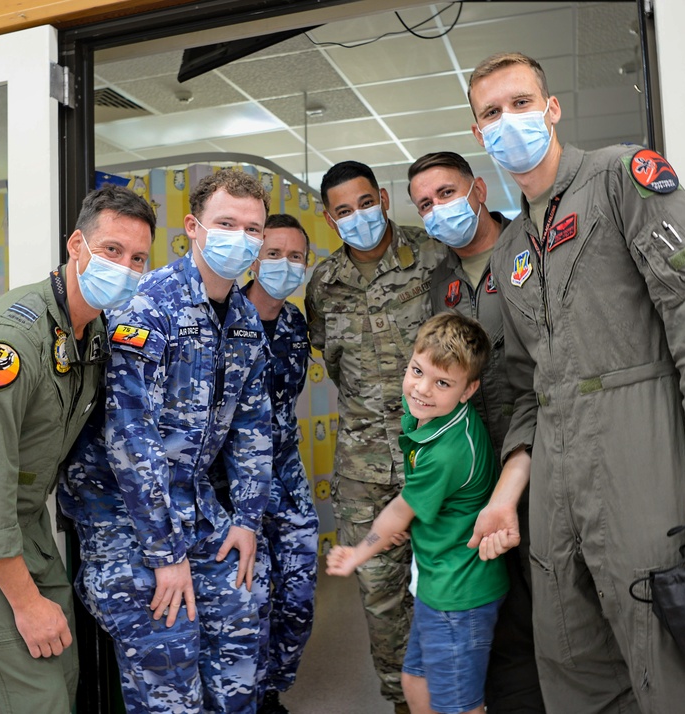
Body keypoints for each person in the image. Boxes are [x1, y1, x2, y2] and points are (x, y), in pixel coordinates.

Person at [467, 52, 685, 713]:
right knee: (572, 663)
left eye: (520, 103)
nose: (507, 121)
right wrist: (510, 493)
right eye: (490, 113)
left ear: (552, 109)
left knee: (668, 651)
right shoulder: (511, 247)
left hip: (640, 456)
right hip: (555, 484)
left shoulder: (621, 180)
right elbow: (523, 388)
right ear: (478, 132)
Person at [0, 184, 156, 713]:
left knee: (60, 677)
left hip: (22, 523)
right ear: (76, 246)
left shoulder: (89, 334)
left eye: (138, 259)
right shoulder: (10, 344)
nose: (126, 268)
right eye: (112, 250)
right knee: (28, 699)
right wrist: (23, 601)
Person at [59, 169, 273, 714]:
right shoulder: (149, 306)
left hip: (197, 509)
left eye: (253, 229)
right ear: (193, 227)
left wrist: (246, 519)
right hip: (128, 522)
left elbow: (252, 426)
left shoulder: (245, 318)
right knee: (170, 670)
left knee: (242, 645)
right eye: (227, 223)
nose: (240, 239)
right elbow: (131, 440)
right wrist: (165, 553)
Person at [305, 160, 446, 713]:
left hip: (439, 460)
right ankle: (403, 702)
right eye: (343, 211)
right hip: (365, 475)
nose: (357, 217)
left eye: (365, 203)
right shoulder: (323, 284)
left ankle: (460, 698)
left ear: (383, 199)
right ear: (329, 217)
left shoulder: (433, 256)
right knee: (382, 602)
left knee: (454, 593)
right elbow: (334, 362)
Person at [408, 151, 545, 713]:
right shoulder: (439, 282)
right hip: (470, 478)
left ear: (478, 189)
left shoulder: (533, 249)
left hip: (537, 461)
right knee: (490, 617)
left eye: (446, 193)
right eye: (424, 203)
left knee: (546, 610)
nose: (438, 209)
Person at [327, 312, 508, 714]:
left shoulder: (446, 451)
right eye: (417, 371)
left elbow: (399, 510)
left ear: (469, 389)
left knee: (459, 707)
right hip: (437, 582)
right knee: (414, 681)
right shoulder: (434, 415)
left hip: (458, 595)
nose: (422, 389)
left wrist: (359, 553)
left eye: (442, 383)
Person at [244, 213, 319, 714]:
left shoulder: (294, 323)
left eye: (295, 257)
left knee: (297, 590)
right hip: (232, 479)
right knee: (246, 595)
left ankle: (271, 685)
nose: (284, 265)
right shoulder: (224, 318)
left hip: (284, 470)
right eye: (273, 254)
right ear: (253, 258)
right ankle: (246, 694)